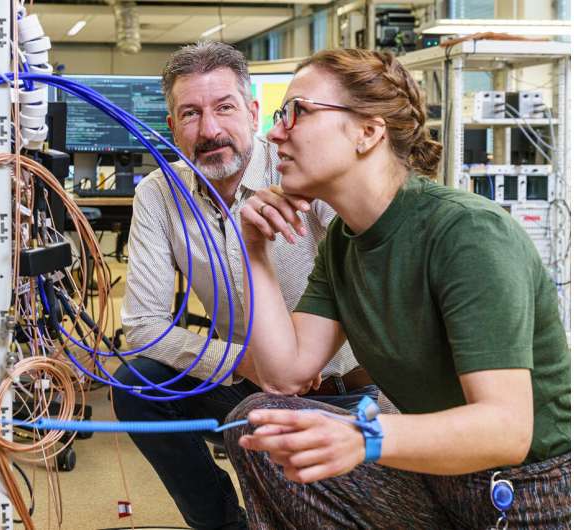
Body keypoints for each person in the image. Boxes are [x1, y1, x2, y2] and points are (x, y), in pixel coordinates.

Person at [223, 48, 570, 529]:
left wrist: (364, 436)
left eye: (298, 112)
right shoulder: (344, 241)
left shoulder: (467, 234)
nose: (275, 132)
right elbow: (285, 376)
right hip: (431, 474)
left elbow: (507, 429)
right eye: (282, 115)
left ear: (368, 131)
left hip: (527, 489)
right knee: (262, 417)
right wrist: (253, 249)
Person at [112, 41, 381, 530]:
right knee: (137, 386)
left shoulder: (301, 170)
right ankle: (220, 523)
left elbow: (371, 275)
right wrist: (244, 361)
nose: (210, 129)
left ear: (254, 112)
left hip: (340, 390)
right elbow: (144, 328)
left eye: (225, 108)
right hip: (246, 381)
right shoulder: (159, 195)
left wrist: (293, 367)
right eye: (190, 113)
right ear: (171, 126)